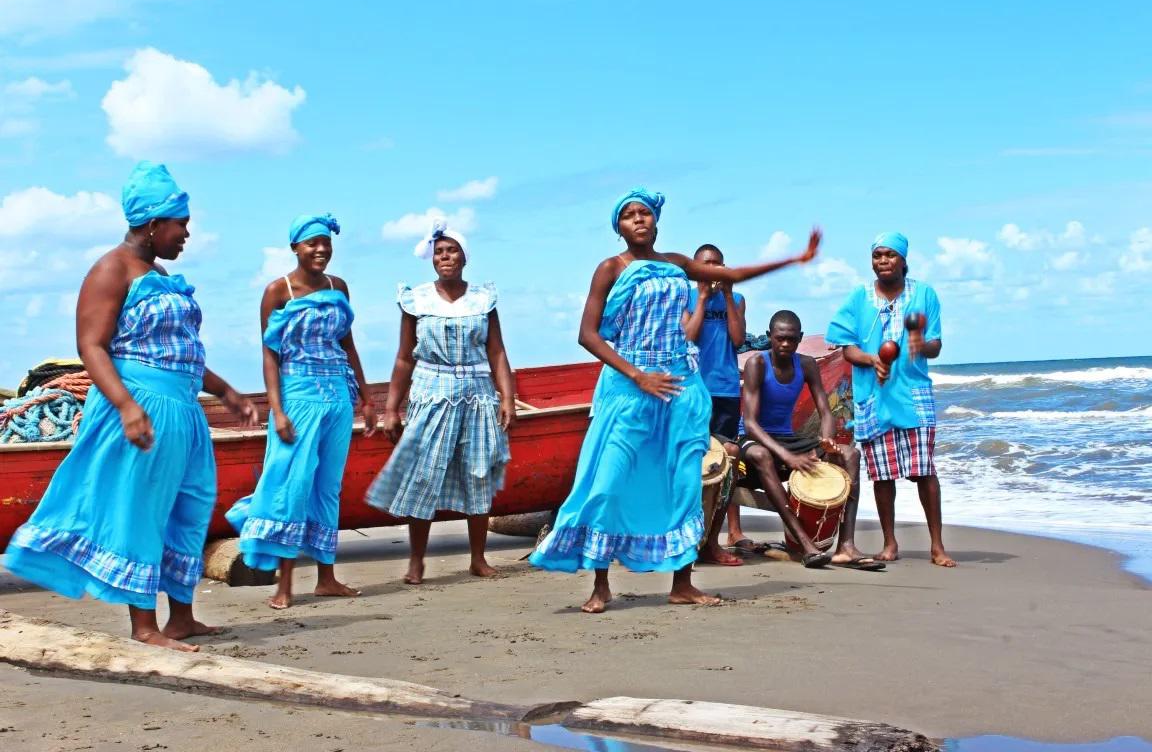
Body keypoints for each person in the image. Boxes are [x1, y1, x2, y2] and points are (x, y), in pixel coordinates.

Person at [2, 162, 258, 651]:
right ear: (152, 222)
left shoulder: (159, 274)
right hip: (140, 403)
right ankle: (145, 627)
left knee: (190, 506)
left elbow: (180, 350)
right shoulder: (110, 269)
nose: (186, 233)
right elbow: (92, 346)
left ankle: (181, 617)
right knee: (142, 510)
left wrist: (225, 392)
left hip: (183, 409)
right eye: (180, 223)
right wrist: (125, 407)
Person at [529, 187, 819, 613]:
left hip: (682, 389)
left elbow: (732, 275)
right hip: (629, 388)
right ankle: (600, 584)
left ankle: (683, 582)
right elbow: (587, 334)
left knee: (684, 485)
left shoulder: (679, 265)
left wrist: (793, 258)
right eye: (628, 216)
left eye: (643, 213)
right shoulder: (611, 268)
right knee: (609, 483)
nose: (638, 220)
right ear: (619, 228)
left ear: (656, 221)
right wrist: (638, 376)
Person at [225, 213, 377, 610]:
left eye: (326, 243)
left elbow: (348, 345)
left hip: (337, 399)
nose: (321, 250)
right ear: (295, 247)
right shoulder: (279, 292)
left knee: (328, 487)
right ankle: (285, 583)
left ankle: (327, 578)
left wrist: (366, 397)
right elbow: (269, 355)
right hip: (298, 396)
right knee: (292, 486)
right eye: (312, 243)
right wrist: (276, 410)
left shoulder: (338, 287)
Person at [366, 220, 516, 585]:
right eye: (439, 252)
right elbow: (404, 358)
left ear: (464, 256)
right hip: (432, 391)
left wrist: (507, 396)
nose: (445, 257)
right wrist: (391, 408)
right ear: (432, 259)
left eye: (452, 250)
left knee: (479, 472)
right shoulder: (416, 300)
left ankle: (478, 558)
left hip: (478, 392)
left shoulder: (483, 299)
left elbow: (496, 352)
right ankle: (416, 561)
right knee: (423, 473)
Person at [826, 232, 955, 567]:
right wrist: (872, 360)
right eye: (877, 255)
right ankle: (889, 543)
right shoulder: (859, 297)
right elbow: (846, 346)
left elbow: (936, 345)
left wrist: (919, 344)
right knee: (883, 476)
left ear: (903, 259)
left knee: (924, 471)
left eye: (889, 255)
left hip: (913, 395)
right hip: (873, 397)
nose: (882, 261)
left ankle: (937, 546)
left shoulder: (924, 294)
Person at [735, 310, 885, 570]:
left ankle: (846, 546)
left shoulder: (805, 364)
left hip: (788, 439)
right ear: (770, 337)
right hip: (752, 440)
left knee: (850, 454)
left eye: (791, 340)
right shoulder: (757, 364)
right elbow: (750, 423)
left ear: (800, 339)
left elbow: (825, 411)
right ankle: (805, 543)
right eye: (779, 338)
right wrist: (787, 456)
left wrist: (827, 440)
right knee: (760, 454)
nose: (785, 344)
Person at [682, 244, 745, 566]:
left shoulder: (736, 300)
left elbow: (737, 339)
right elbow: (688, 337)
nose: (712, 270)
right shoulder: (685, 298)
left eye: (717, 265)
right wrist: (704, 298)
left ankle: (713, 540)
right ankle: (684, 539)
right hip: (693, 392)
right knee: (687, 463)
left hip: (726, 391)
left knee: (728, 459)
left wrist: (729, 295)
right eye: (706, 265)